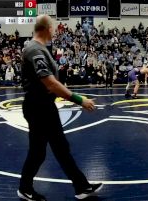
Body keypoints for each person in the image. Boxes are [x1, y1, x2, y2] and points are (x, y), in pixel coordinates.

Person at [18, 15, 103, 201]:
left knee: (59, 148)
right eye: (54, 28)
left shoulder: (40, 49)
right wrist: (80, 99)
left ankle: (81, 186)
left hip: (44, 106)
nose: (55, 31)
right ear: (47, 28)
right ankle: (25, 188)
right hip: (38, 107)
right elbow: (50, 84)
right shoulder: (34, 50)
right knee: (39, 152)